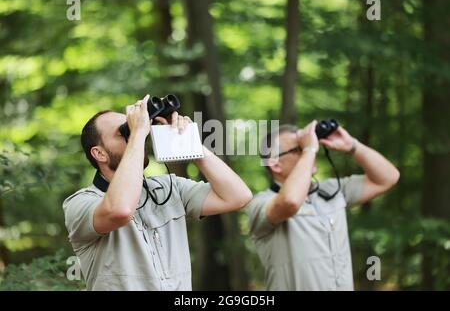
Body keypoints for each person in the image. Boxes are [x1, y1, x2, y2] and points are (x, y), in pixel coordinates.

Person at [63, 95, 252, 290]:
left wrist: (189, 141)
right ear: (99, 153)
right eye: (124, 132)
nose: (137, 132)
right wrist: (137, 133)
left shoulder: (168, 188)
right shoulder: (79, 204)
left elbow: (238, 196)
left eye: (133, 127)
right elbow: (120, 210)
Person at [245, 120, 400, 290]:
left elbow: (388, 177)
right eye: (298, 148)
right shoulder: (260, 203)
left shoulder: (332, 190)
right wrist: (309, 149)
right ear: (275, 163)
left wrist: (352, 146)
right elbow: (290, 202)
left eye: (311, 144)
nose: (312, 150)